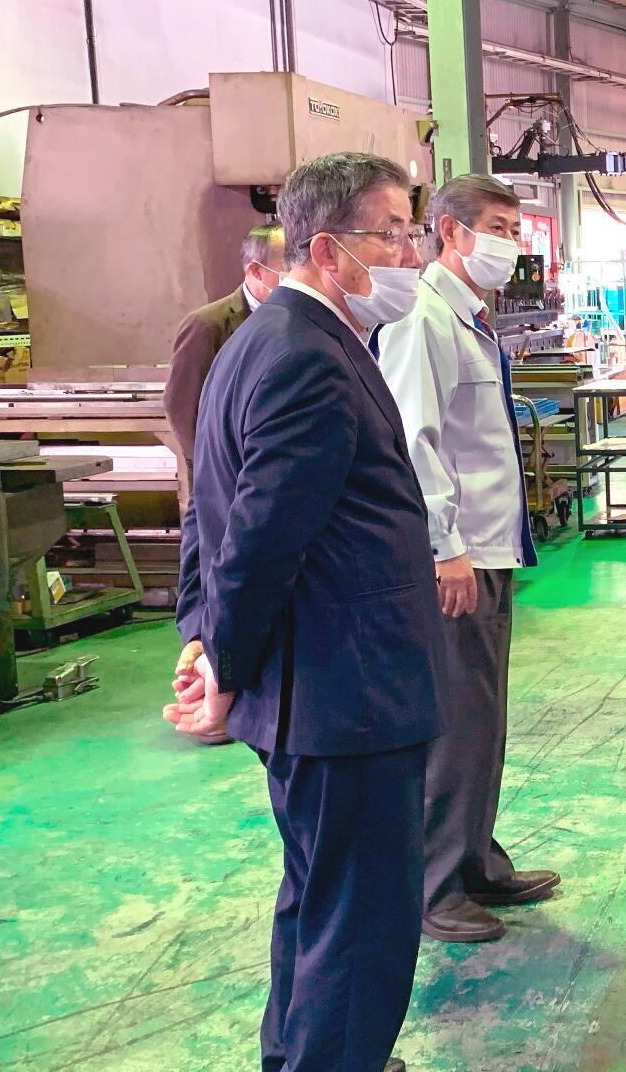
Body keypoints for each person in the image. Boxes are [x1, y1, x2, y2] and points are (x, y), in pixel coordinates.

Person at [163, 151, 435, 1072]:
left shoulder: (262, 340)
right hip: (344, 695)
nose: (410, 254)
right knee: (363, 921)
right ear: (326, 249)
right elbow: (258, 537)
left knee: (319, 897)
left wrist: (203, 638)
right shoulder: (307, 358)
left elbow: (209, 507)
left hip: (320, 688)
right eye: (392, 235)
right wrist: (222, 667)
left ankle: (298, 1055)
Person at [375, 173, 559, 945]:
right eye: (497, 227)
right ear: (450, 232)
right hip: (458, 557)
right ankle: (436, 886)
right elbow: (414, 443)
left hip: (490, 549)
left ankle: (478, 860)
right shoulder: (423, 321)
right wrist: (443, 547)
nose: (509, 243)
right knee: (454, 722)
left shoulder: (469, 319)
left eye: (515, 229)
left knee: (482, 718)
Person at [165, 223, 286, 465]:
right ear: (256, 271)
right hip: (226, 469)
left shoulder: (298, 320)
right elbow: (182, 408)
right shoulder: (208, 325)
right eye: (289, 268)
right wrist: (213, 466)